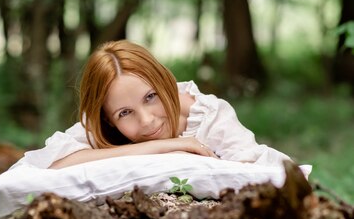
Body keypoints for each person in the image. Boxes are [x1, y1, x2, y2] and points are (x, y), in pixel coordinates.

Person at [15, 40, 293, 170]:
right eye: (125, 113)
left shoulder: (208, 116)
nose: (147, 121)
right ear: (109, 120)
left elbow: (256, 170)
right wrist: (165, 146)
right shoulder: (101, 124)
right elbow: (53, 162)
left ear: (164, 83)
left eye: (151, 97)